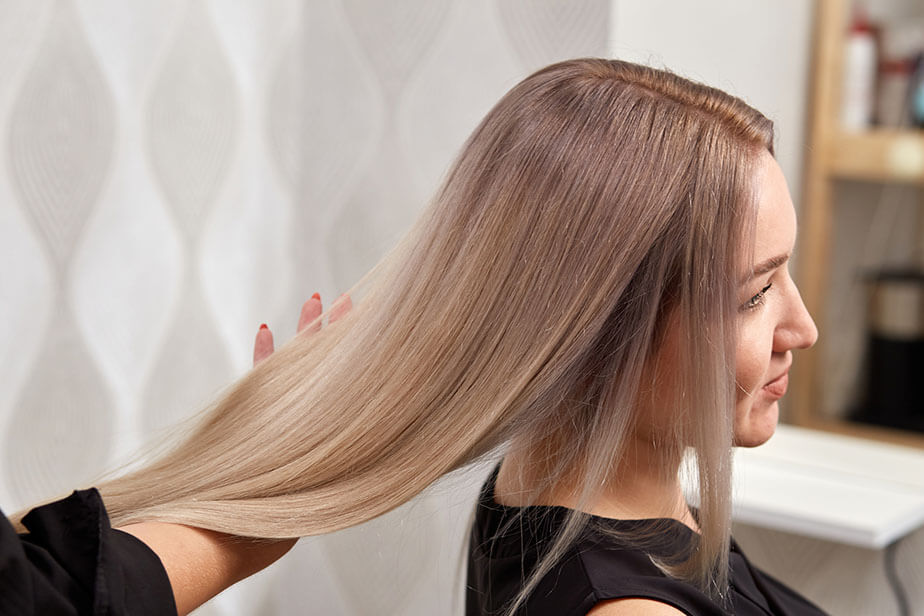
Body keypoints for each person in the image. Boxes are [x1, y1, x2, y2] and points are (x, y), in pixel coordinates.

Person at [3, 58, 825, 615]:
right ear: (596, 334)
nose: (805, 327)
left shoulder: (560, 481)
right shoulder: (625, 599)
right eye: (755, 294)